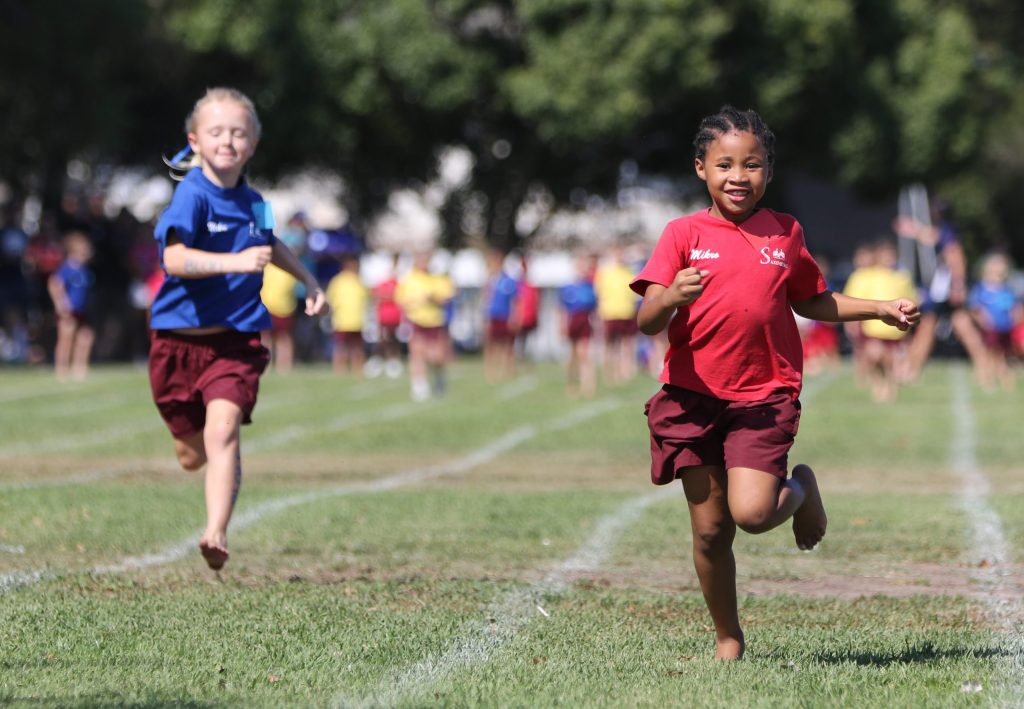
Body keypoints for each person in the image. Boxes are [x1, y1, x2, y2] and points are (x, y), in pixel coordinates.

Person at [631, 106, 918, 660]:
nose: (739, 176)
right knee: (711, 532)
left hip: (764, 395)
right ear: (701, 169)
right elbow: (646, 320)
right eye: (725, 165)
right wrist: (669, 296)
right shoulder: (682, 234)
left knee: (753, 514)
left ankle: (802, 487)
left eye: (753, 165)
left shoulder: (785, 232)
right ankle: (728, 638)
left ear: (768, 172)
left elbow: (813, 298)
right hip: (691, 398)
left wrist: (878, 308)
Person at [148, 87, 327, 571]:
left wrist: (308, 279)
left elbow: (271, 243)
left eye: (238, 132)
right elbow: (174, 259)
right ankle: (213, 459)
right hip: (177, 344)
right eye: (216, 132)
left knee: (223, 431)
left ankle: (215, 532)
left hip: (236, 343)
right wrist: (234, 260)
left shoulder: (257, 201)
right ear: (196, 141)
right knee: (192, 455)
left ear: (252, 143)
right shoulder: (191, 195)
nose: (227, 140)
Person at [897, 201, 986, 383]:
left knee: (929, 327)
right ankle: (984, 369)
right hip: (945, 289)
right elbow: (930, 237)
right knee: (959, 326)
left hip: (944, 290)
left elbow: (955, 255)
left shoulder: (947, 230)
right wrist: (914, 230)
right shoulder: (946, 230)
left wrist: (957, 285)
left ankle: (911, 369)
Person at [841, 240, 917, 402]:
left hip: (894, 330)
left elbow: (911, 299)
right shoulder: (867, 276)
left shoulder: (901, 276)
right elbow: (856, 300)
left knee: (892, 360)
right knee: (874, 355)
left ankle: (889, 385)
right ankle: (877, 382)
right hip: (873, 327)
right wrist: (853, 322)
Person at [396, 250, 455, 401]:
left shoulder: (437, 279)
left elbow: (447, 297)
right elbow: (401, 300)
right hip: (416, 321)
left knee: (436, 356)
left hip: (434, 321)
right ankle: (419, 386)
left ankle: (439, 377)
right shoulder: (409, 279)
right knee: (416, 354)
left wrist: (433, 298)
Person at [967, 251, 1021, 391]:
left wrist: (1015, 316)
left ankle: (1002, 376)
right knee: (988, 352)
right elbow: (974, 307)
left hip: (1005, 328)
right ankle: (985, 377)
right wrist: (982, 319)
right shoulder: (981, 288)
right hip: (990, 328)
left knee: (1002, 353)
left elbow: (1014, 307)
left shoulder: (1007, 289)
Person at [47, 230, 96, 381]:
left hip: (83, 310)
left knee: (86, 337)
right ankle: (61, 368)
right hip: (69, 311)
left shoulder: (85, 270)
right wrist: (61, 304)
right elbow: (54, 284)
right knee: (65, 338)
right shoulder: (67, 268)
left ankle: (79, 367)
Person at [594, 244, 640, 385]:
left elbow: (634, 294)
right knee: (610, 345)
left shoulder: (629, 272)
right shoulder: (605, 273)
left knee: (627, 343)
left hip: (626, 312)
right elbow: (599, 293)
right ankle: (609, 372)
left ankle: (625, 372)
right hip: (610, 313)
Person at [559, 252, 598, 397]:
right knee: (571, 356)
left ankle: (588, 385)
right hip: (572, 321)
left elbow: (594, 309)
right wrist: (561, 326)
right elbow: (562, 309)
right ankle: (571, 384)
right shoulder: (567, 287)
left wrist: (596, 324)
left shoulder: (590, 286)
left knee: (585, 354)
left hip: (584, 322)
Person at [326, 253, 368, 377]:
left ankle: (358, 370)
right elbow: (330, 299)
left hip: (357, 321)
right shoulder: (338, 281)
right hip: (342, 321)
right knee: (341, 347)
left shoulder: (360, 281)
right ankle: (339, 370)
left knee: (357, 348)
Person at [482, 247, 519, 383]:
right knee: (490, 345)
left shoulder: (508, 281)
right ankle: (490, 372)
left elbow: (514, 301)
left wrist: (514, 317)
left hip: (505, 316)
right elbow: (485, 300)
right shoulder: (489, 281)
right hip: (492, 316)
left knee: (507, 345)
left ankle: (506, 371)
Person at [259, 263, 299, 373]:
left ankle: (284, 366)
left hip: (284, 309)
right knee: (265, 339)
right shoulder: (266, 266)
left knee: (284, 339)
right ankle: (266, 365)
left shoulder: (288, 268)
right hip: (266, 307)